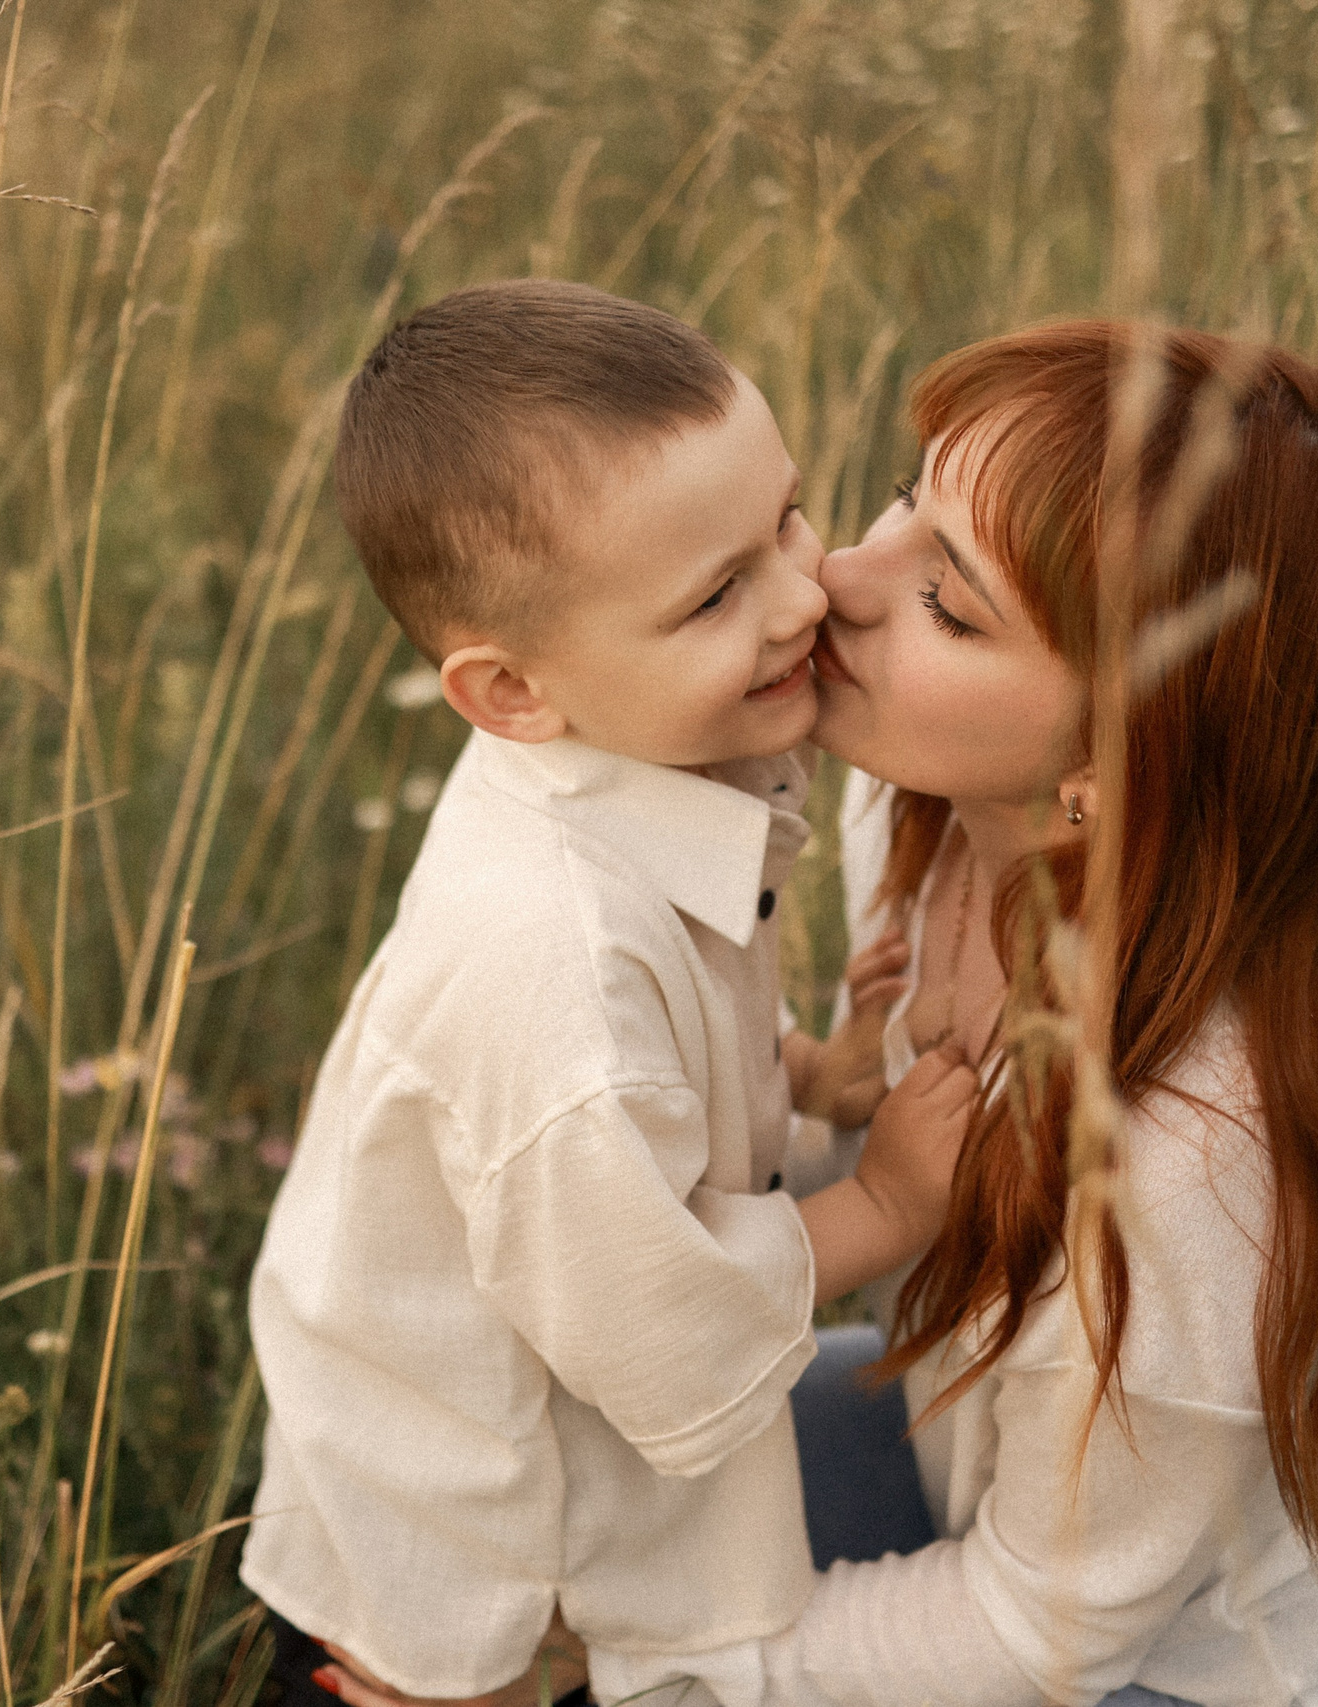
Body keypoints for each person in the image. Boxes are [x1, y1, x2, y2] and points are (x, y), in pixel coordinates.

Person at [319, 321, 1318, 1707]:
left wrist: (625, 1666)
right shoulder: (916, 814)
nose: (832, 588)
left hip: (1284, 1675)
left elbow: (1031, 1638)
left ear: (1115, 772)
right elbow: (832, 1170)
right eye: (900, 499)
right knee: (472, 1516)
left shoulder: (1198, 1171)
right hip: (994, 1446)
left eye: (953, 606)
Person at [240, 279, 975, 1707]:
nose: (802, 594)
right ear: (512, 692)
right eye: (716, 595)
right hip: (474, 1629)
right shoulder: (550, 965)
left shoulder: (634, 740)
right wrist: (883, 1205)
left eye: (788, 518)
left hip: (520, 1539)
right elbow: (660, 1329)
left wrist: (802, 1077)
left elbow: (653, 1078)